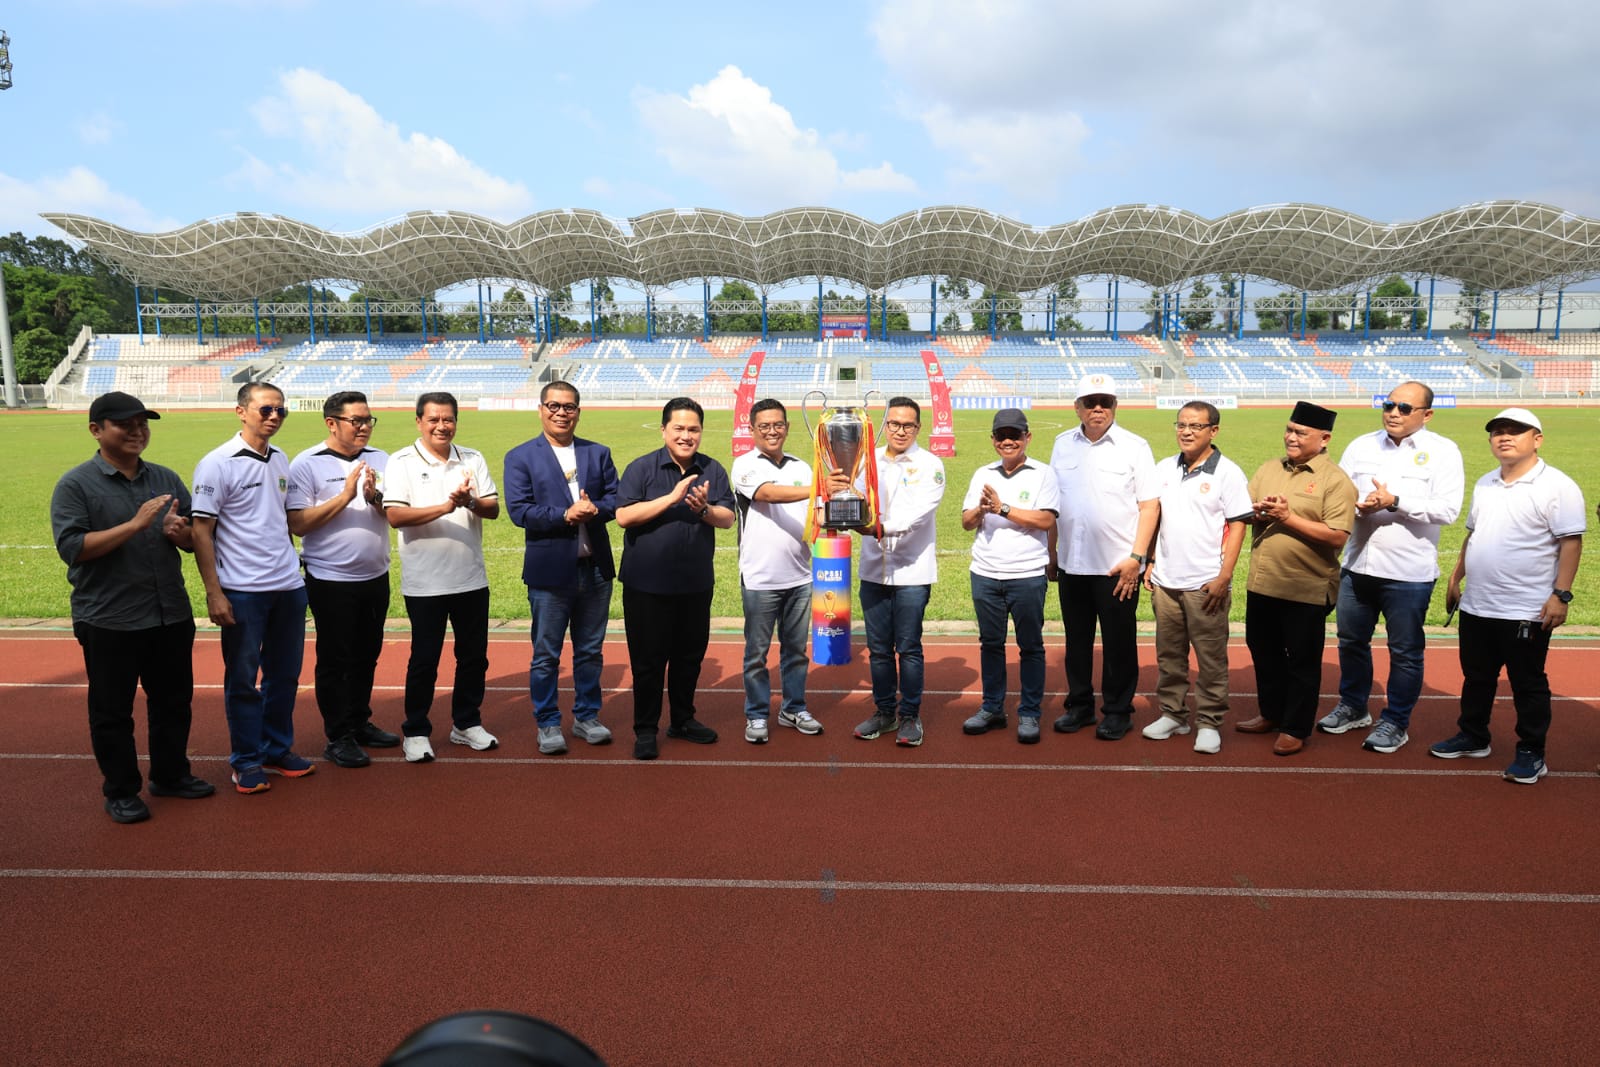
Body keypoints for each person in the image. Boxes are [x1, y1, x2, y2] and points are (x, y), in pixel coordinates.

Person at [50, 392, 214, 823]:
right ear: (96, 430)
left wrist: (179, 533)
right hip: (109, 618)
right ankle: (121, 790)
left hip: (169, 613)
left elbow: (192, 535)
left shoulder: (164, 478)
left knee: (173, 702)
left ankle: (171, 774)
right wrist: (136, 525)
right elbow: (73, 548)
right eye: (125, 424)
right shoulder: (76, 485)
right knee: (112, 712)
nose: (138, 431)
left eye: (143, 423)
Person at [1430, 408, 1583, 784]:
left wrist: (1560, 594)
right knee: (1477, 676)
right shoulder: (1485, 483)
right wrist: (1455, 578)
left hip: (1526, 608)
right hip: (1479, 603)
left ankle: (1532, 751)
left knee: (1527, 682)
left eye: (1516, 431)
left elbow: (1571, 543)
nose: (1505, 437)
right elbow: (1472, 534)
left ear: (1537, 439)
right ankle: (1473, 735)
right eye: (1498, 431)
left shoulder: (1558, 486)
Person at [1319, 382, 1464, 753]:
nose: (1393, 413)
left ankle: (1395, 721)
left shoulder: (1444, 452)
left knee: (1404, 652)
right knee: (1351, 642)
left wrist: (1395, 501)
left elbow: (1448, 510)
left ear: (1426, 414)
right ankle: (1353, 707)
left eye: (1404, 407)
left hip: (1408, 573)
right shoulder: (1361, 445)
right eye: (1388, 405)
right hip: (1357, 565)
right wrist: (1359, 507)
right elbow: (1339, 497)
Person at [191, 382, 312, 794]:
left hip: (288, 587)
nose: (274, 417)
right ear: (241, 411)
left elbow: (280, 522)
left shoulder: (280, 458)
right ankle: (245, 760)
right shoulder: (217, 463)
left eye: (281, 411)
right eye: (265, 410)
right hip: (242, 590)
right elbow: (201, 532)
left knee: (285, 676)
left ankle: (276, 749)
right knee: (243, 680)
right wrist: (214, 592)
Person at [383, 392, 501, 764]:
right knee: (424, 659)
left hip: (469, 577)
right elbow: (396, 516)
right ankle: (416, 731)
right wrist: (446, 506)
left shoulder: (472, 458)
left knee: (473, 658)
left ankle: (466, 723)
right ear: (419, 421)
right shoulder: (400, 461)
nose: (441, 426)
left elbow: (493, 508)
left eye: (448, 419)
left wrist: (469, 502)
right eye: (433, 419)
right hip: (425, 582)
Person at [616, 397, 736, 760]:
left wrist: (703, 509)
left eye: (693, 429)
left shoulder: (712, 469)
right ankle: (646, 729)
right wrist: (672, 497)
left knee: (689, 658)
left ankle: (683, 720)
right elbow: (623, 516)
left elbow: (727, 518)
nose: (687, 436)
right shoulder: (642, 468)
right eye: (679, 428)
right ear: (664, 429)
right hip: (647, 586)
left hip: (695, 584)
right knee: (648, 661)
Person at [287, 390, 400, 769]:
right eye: (358, 420)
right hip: (330, 578)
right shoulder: (307, 464)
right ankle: (338, 736)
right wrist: (346, 495)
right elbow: (298, 524)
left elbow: (393, 513)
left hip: (375, 574)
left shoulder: (382, 459)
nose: (365, 427)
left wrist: (375, 500)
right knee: (336, 658)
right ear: (331, 423)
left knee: (368, 653)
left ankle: (359, 720)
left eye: (369, 420)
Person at [504, 381, 619, 755]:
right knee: (546, 654)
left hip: (596, 570)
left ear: (579, 412)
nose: (561, 413)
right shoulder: (521, 457)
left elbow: (616, 500)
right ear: (541, 409)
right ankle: (548, 722)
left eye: (569, 407)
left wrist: (595, 509)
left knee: (590, 650)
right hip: (550, 571)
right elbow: (519, 511)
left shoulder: (597, 453)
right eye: (553, 405)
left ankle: (587, 716)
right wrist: (565, 514)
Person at [1237, 401, 1357, 756]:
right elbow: (1246, 513)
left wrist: (1287, 518)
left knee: (1302, 662)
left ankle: (1295, 727)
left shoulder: (1335, 480)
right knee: (1264, 652)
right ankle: (1271, 713)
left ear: (1324, 439)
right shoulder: (1269, 468)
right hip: (1263, 581)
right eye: (1289, 429)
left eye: (1300, 432)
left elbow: (1338, 536)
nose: (1291, 436)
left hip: (1306, 587)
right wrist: (1258, 514)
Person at [1048, 373, 1160, 740]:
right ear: (1077, 407)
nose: (1098, 408)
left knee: (1118, 644)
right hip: (1072, 563)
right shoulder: (1062, 444)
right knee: (1076, 642)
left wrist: (1137, 557)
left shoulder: (1135, 446)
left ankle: (1117, 710)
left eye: (1105, 402)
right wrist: (1053, 553)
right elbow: (1053, 503)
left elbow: (1149, 505)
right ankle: (1079, 707)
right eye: (1090, 402)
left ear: (1115, 406)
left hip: (1117, 566)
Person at [1141, 401, 1253, 755]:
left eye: (1196, 426)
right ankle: (1174, 714)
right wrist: (1152, 561)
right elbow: (1157, 517)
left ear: (1213, 431)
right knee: (1169, 655)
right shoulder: (1164, 468)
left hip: (1205, 582)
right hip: (1165, 581)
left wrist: (1224, 576)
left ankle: (1208, 721)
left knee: (1210, 658)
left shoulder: (1228, 473)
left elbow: (1238, 526)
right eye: (1181, 425)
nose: (1186, 432)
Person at [731, 398, 840, 744]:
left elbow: (817, 515)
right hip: (760, 577)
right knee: (756, 654)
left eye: (778, 425)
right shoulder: (744, 464)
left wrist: (843, 516)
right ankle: (757, 713)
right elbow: (767, 495)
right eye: (764, 426)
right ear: (752, 430)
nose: (772, 431)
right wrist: (819, 487)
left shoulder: (802, 467)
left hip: (800, 576)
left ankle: (793, 707)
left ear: (787, 427)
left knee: (796, 652)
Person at [960, 409, 1061, 744]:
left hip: (1027, 574)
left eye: (1014, 435)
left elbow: (1046, 520)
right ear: (993, 440)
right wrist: (981, 510)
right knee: (990, 644)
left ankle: (1030, 712)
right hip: (985, 573)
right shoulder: (981, 473)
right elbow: (967, 522)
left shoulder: (1044, 474)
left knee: (1030, 646)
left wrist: (1002, 508)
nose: (1008, 441)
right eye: (1001, 435)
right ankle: (992, 708)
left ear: (1027, 438)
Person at [853, 397, 946, 747]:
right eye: (894, 424)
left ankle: (910, 715)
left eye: (908, 424)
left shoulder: (930, 464)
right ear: (884, 425)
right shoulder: (868, 460)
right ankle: (884, 712)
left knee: (908, 648)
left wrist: (873, 527)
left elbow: (917, 516)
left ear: (918, 428)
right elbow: (855, 500)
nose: (900, 430)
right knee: (878, 649)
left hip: (912, 572)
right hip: (874, 571)